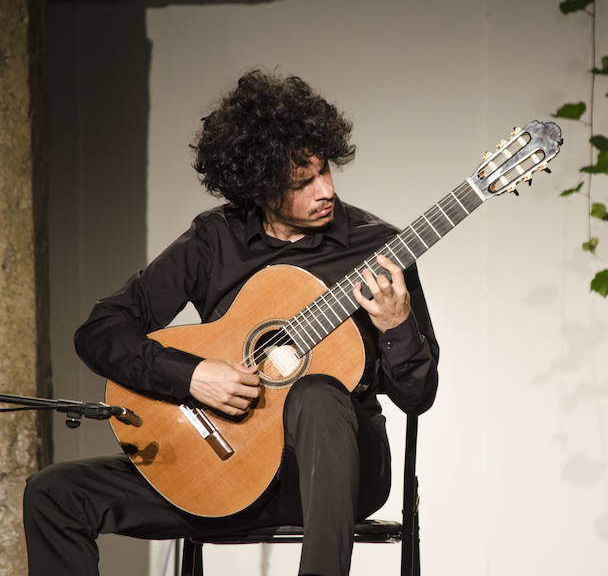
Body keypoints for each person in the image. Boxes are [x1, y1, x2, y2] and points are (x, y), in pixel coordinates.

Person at [22, 70, 439, 576]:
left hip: (331, 480)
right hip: (220, 472)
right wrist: (192, 375)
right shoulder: (214, 241)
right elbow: (100, 331)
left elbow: (418, 397)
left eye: (325, 171)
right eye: (301, 182)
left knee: (318, 393)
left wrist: (397, 326)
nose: (324, 190)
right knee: (55, 493)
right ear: (258, 187)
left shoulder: (378, 251)